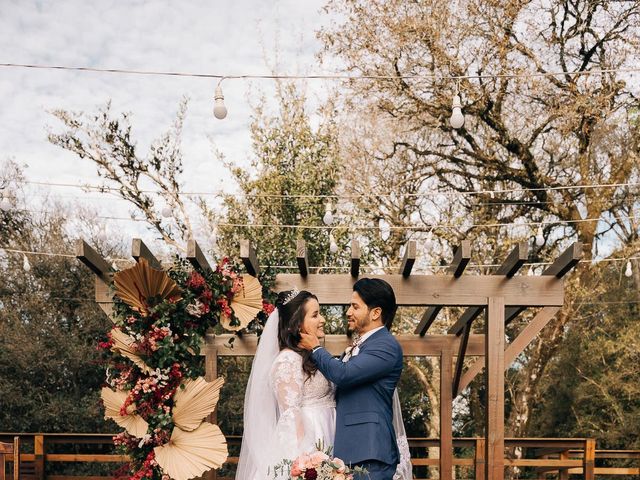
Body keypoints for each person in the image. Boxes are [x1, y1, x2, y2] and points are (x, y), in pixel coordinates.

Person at [299, 278, 408, 480]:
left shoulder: (385, 346)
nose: (348, 312)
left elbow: (344, 374)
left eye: (355, 306)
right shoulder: (362, 345)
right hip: (351, 450)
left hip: (370, 450)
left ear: (376, 313)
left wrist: (315, 347)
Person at [236, 290, 336, 480]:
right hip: (311, 442)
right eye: (315, 315)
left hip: (328, 431)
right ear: (297, 324)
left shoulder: (313, 356)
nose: (322, 319)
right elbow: (291, 416)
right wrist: (307, 462)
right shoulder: (287, 361)